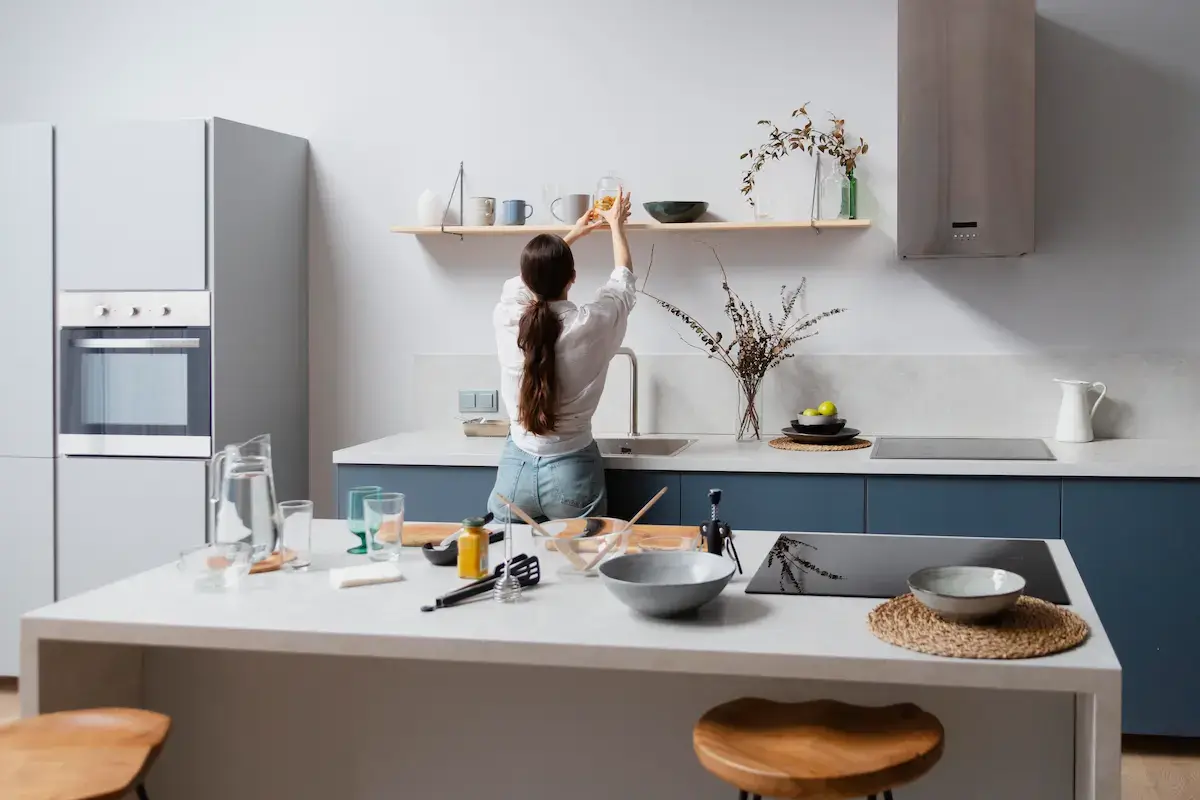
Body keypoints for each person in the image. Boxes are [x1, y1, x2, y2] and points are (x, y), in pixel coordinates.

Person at [487, 188, 635, 521]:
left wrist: (572, 235)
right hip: (572, 473)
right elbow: (622, 283)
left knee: (507, 553)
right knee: (581, 553)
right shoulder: (590, 325)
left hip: (514, 474)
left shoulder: (507, 317)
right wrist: (616, 226)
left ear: (527, 280)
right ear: (572, 278)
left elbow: (526, 281)